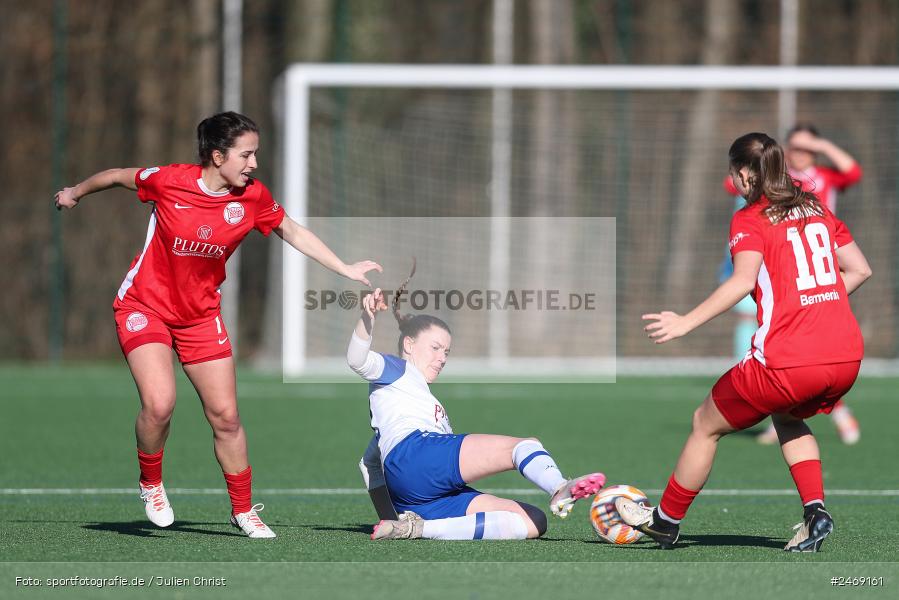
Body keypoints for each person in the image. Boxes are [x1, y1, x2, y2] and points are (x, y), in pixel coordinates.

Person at [54, 112, 381, 538]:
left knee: (226, 417)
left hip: (200, 318)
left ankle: (243, 510)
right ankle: (151, 483)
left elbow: (292, 231)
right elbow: (118, 176)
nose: (254, 164)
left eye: (255, 154)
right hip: (144, 306)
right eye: (246, 155)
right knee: (160, 404)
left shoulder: (253, 197)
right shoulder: (169, 180)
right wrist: (74, 192)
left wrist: (344, 267)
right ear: (217, 155)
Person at [617, 132, 871, 552]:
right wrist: (813, 303)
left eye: (732, 171)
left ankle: (664, 522)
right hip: (846, 355)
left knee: (704, 424)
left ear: (746, 174)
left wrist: (685, 323)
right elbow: (860, 270)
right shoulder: (815, 207)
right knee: (788, 417)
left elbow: (741, 281)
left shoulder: (750, 217)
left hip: (788, 360)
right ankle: (815, 512)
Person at [346, 268, 605, 540]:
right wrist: (368, 317)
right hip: (416, 457)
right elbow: (357, 359)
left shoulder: (406, 399)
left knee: (532, 521)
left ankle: (415, 528)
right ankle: (559, 487)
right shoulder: (398, 369)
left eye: (446, 352)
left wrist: (389, 516)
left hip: (417, 495)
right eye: (435, 347)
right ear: (409, 345)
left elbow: (369, 464)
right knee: (523, 446)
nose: (442, 358)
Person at [722, 124, 863, 445]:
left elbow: (853, 172)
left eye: (805, 148)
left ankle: (817, 410)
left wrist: (822, 142)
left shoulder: (818, 185)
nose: (798, 153)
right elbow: (732, 185)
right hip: (779, 268)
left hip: (817, 271)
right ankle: (785, 411)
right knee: (784, 343)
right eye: (793, 147)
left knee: (805, 351)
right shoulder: (775, 179)